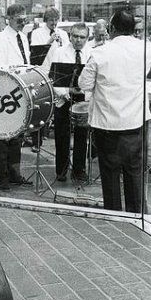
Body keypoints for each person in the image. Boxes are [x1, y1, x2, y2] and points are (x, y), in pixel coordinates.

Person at [79, 9, 151, 212]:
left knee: (110, 176)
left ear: (112, 29)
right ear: (132, 29)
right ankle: (136, 216)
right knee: (134, 173)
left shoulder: (100, 52)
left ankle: (115, 217)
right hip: (135, 122)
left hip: (107, 125)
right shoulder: (144, 48)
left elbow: (84, 84)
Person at [0, 4, 33, 188]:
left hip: (22, 89)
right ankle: (3, 177)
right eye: (18, 19)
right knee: (4, 138)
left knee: (17, 138)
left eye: (24, 19)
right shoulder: (0, 38)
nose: (22, 22)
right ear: (8, 18)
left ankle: (15, 174)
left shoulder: (23, 37)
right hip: (7, 91)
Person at [41, 23, 92, 182]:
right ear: (70, 36)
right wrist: (65, 93)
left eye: (82, 37)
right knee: (62, 136)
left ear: (87, 38)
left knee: (81, 136)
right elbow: (51, 77)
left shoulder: (91, 53)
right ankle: (61, 170)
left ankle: (79, 170)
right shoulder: (59, 52)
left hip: (83, 100)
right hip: (63, 99)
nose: (78, 40)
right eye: (75, 36)